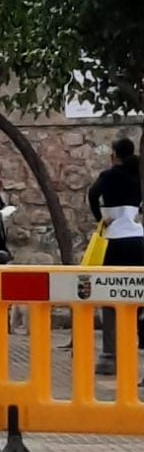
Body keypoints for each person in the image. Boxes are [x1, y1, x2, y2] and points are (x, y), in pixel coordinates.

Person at [88, 137, 144, 375]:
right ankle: (136, 341)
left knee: (109, 296)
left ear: (114, 154)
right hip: (138, 240)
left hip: (114, 242)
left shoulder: (108, 176)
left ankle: (111, 355)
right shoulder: (138, 175)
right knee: (137, 295)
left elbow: (92, 194)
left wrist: (99, 218)